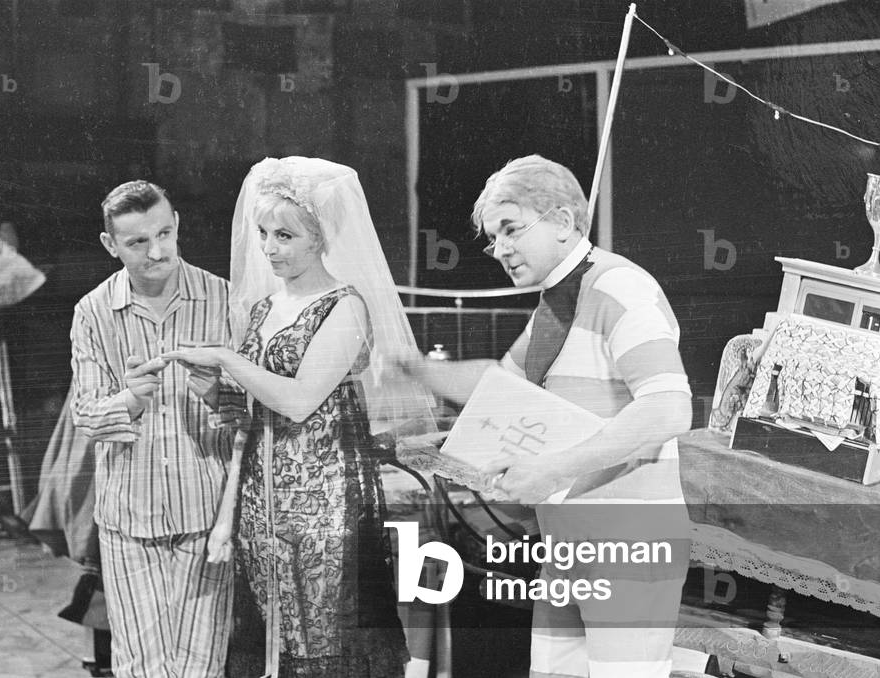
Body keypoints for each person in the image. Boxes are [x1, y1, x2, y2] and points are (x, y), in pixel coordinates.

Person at [396, 155, 692, 678]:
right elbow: (500, 386)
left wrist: (555, 469)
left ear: (561, 220)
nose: (501, 249)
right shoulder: (558, 303)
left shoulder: (619, 287)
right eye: (494, 238)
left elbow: (669, 407)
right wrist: (412, 367)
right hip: (570, 541)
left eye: (511, 229)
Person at [163, 157, 434, 678]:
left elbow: (299, 400)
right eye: (263, 233)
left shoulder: (345, 307)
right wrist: (214, 392)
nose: (268, 249)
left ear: (321, 237)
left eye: (285, 235)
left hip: (322, 498)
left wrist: (227, 358)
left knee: (323, 633)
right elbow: (252, 413)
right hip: (259, 502)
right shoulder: (265, 308)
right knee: (273, 637)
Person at [70, 180, 236, 678]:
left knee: (201, 667)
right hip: (128, 520)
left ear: (177, 223)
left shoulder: (223, 297)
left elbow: (254, 411)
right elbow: (86, 416)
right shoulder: (93, 312)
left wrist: (214, 393)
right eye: (138, 242)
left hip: (205, 515)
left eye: (164, 233)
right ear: (111, 246)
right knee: (140, 666)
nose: (157, 251)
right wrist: (131, 400)